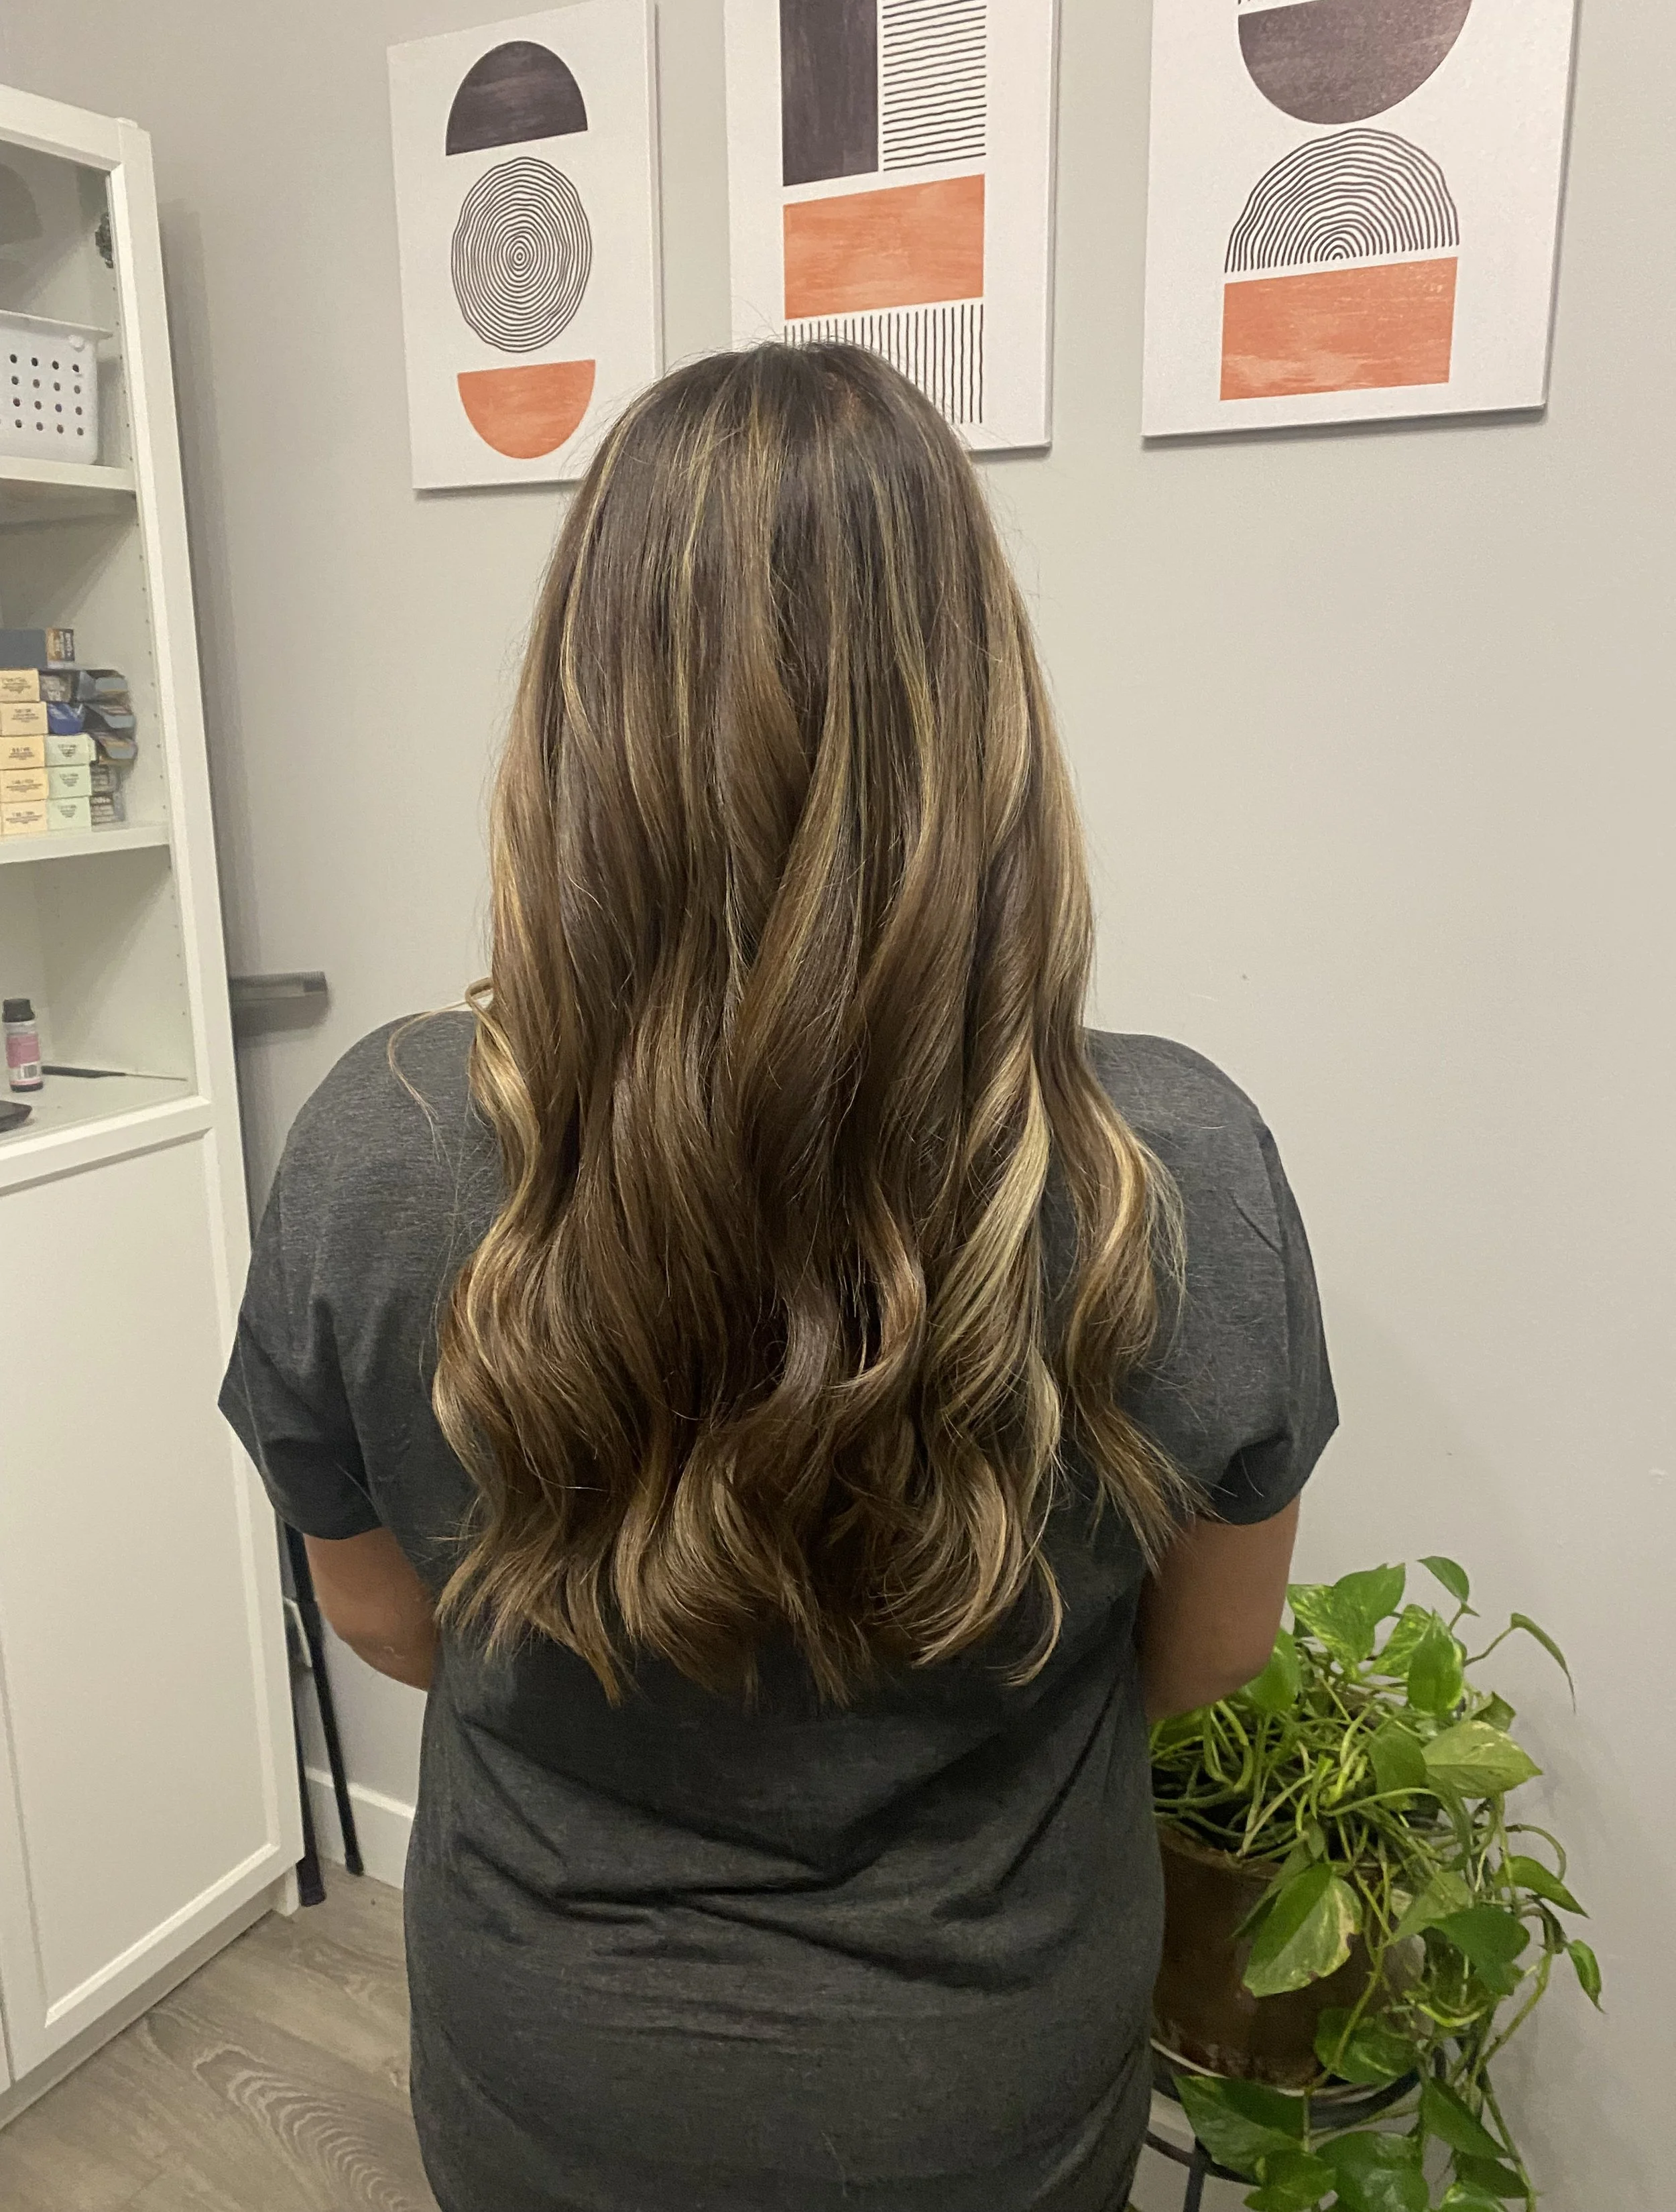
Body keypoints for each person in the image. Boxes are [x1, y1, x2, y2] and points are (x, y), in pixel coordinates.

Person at [221, 343, 1335, 2212]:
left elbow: (395, 1625)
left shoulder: (377, 1144)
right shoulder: (1171, 1170)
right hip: (983, 2078)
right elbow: (1205, 1651)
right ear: (977, 707)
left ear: (575, 712)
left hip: (553, 2067)